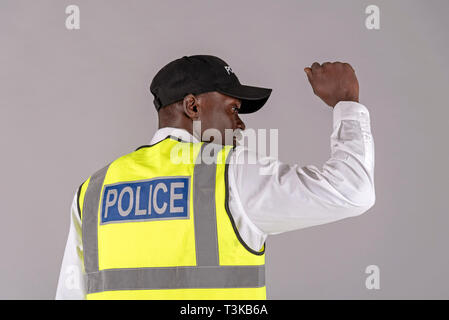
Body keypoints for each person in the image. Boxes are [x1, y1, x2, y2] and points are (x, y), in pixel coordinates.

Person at [56, 55, 375, 300]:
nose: (241, 125)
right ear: (192, 107)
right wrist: (347, 103)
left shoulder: (94, 189)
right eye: (233, 109)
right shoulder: (231, 173)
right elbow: (353, 190)